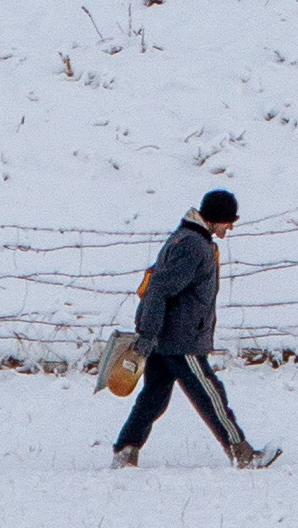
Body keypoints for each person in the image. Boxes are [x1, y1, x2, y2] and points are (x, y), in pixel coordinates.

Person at [113, 184, 271, 464]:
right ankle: (242, 454)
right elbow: (159, 289)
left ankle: (126, 451)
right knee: (211, 395)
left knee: (153, 398)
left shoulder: (184, 239)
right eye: (228, 221)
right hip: (182, 339)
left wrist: (151, 335)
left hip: (167, 337)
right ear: (214, 218)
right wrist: (147, 333)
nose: (230, 228)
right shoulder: (193, 246)